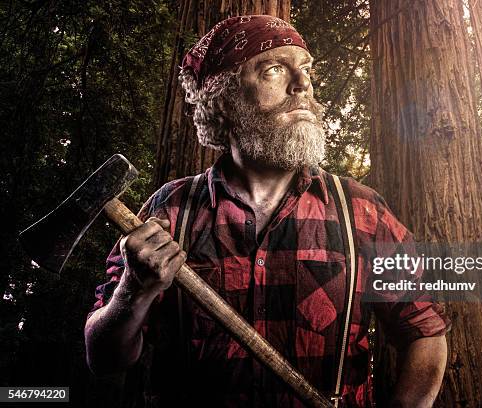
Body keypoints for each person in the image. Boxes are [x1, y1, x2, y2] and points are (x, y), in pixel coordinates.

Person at [85, 15, 450, 408]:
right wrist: (133, 291)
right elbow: (104, 358)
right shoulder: (172, 209)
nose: (303, 84)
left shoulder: (360, 210)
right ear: (224, 98)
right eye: (275, 69)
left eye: (306, 69)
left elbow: (424, 332)